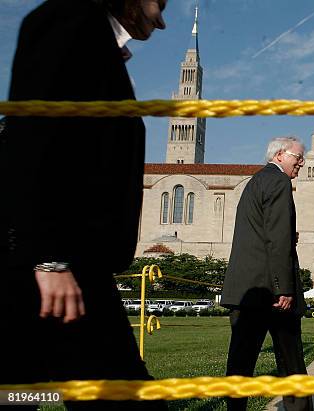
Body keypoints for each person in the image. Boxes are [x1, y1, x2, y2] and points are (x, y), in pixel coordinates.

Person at [0, 1, 167, 409]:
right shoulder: (66, 23)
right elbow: (34, 140)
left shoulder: (88, 37)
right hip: (57, 263)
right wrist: (49, 258)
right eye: (158, 4)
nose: (161, 20)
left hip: (67, 262)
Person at [221, 137, 313, 411]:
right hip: (271, 292)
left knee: (240, 361)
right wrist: (283, 287)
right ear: (281, 154)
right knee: (291, 361)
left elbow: (262, 232)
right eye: (298, 155)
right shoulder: (279, 181)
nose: (302, 161)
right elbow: (277, 238)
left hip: (247, 289)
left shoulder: (257, 181)